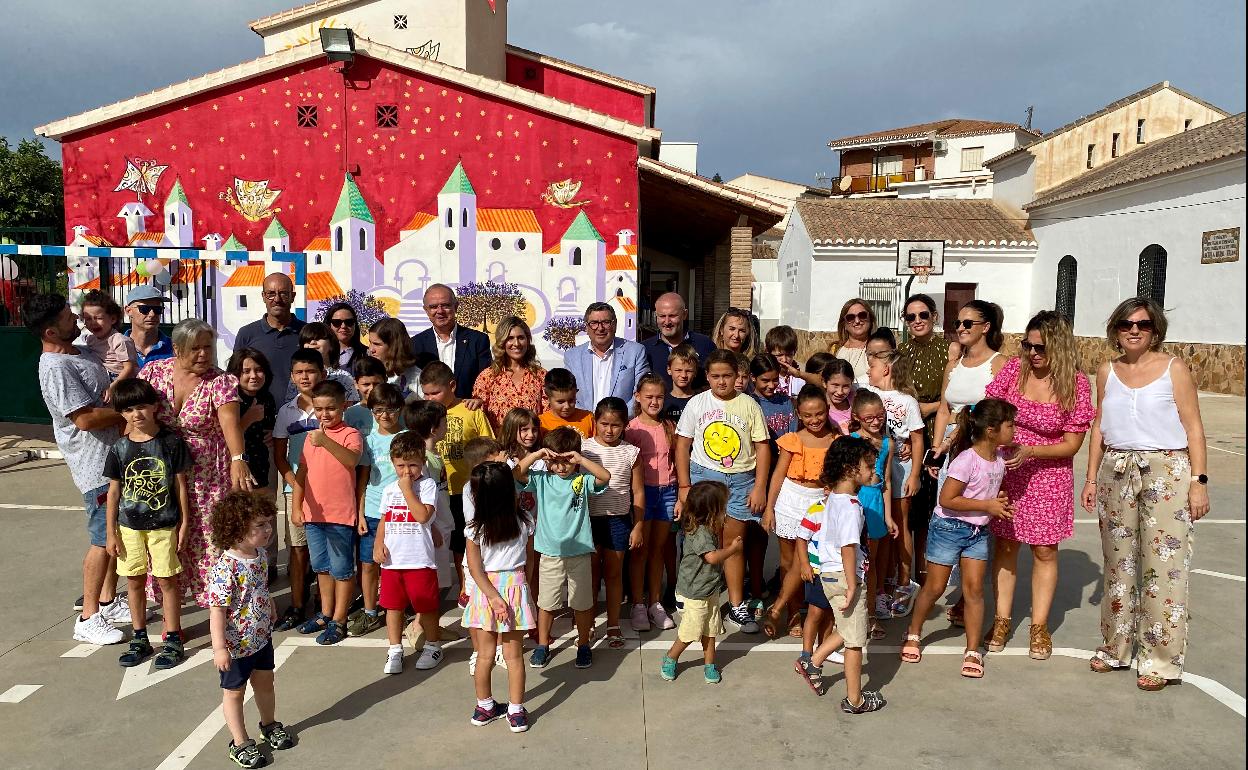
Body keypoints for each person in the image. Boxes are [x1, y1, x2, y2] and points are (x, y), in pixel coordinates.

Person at [1082, 298, 1209, 691]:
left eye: (1143, 324)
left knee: (1163, 567)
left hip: (1166, 472)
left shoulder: (1175, 369)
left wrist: (1198, 482)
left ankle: (1160, 660)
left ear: (1156, 330)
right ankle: (1116, 647)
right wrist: (1089, 478)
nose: (1134, 330)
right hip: (1116, 470)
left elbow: (1194, 429)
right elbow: (1099, 427)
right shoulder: (1107, 370)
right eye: (1125, 324)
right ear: (1115, 329)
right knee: (1118, 564)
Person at [985, 311, 1095, 660]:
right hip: (1006, 470)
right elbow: (989, 409)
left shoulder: (1075, 383)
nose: (1032, 353)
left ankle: (1039, 626)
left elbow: (1072, 444)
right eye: (1028, 345)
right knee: (1004, 545)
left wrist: (1031, 449)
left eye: (1040, 348)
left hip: (1049, 475)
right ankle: (1001, 619)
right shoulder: (1014, 372)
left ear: (1059, 347)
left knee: (1044, 550)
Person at [26, 293, 126, 643]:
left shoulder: (79, 351)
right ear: (51, 332)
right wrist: (133, 410)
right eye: (69, 317)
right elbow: (84, 419)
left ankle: (108, 601)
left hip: (114, 460)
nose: (78, 320)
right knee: (102, 540)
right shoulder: (55, 368)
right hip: (95, 468)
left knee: (116, 535)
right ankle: (88, 617)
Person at [901, 399, 1017, 679]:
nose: (1014, 430)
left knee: (975, 590)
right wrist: (987, 506)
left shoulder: (999, 458)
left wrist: (996, 502)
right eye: (1010, 425)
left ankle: (973, 650)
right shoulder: (966, 460)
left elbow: (986, 494)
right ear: (991, 430)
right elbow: (947, 499)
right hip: (949, 528)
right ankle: (914, 633)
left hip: (978, 532)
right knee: (935, 587)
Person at [139, 319, 251, 607]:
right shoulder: (153, 372)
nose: (203, 354)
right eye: (195, 348)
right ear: (176, 349)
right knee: (166, 539)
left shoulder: (220, 382)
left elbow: (230, 424)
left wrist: (238, 459)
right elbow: (135, 411)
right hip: (163, 472)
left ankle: (217, 605)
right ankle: (170, 612)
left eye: (207, 348)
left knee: (209, 540)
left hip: (207, 476)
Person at [675, 349, 770, 634]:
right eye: (715, 376)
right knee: (700, 540)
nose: (721, 382)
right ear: (707, 377)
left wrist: (760, 486)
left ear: (738, 376)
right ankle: (692, 592)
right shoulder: (697, 403)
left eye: (727, 376)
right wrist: (683, 485)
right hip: (704, 479)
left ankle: (737, 605)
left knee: (734, 542)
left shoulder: (749, 405)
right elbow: (682, 444)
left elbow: (763, 446)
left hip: (741, 480)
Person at [794, 436, 886, 714]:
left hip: (831, 574)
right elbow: (849, 547)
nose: (874, 472)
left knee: (847, 629)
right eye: (869, 466)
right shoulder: (851, 507)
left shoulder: (834, 498)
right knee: (856, 642)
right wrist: (853, 585)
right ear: (850, 469)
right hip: (846, 577)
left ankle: (813, 662)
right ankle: (855, 699)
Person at [104, 378, 191, 669]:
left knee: (167, 580)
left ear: (155, 407)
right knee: (134, 581)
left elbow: (181, 486)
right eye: (128, 410)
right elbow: (114, 492)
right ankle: (139, 637)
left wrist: (185, 523)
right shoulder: (119, 448)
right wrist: (110, 533)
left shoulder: (170, 442)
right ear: (121, 413)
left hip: (164, 524)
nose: (136, 414)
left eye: (142, 407)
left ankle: (173, 638)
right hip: (128, 527)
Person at [928, 299, 1006, 628]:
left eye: (967, 324)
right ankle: (956, 588)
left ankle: (966, 595)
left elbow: (1000, 412)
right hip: (951, 448)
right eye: (957, 323)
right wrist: (936, 449)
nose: (960, 329)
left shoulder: (999, 364)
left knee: (974, 518)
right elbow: (945, 409)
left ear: (985, 327)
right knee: (949, 516)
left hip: (980, 450)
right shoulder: (954, 364)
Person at [207, 491, 294, 768]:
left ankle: (269, 725)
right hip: (236, 647)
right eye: (260, 525)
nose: (268, 529)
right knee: (234, 693)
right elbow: (217, 610)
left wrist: (268, 603)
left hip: (260, 638)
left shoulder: (259, 555)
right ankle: (240, 742)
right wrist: (220, 648)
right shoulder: (226, 567)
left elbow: (259, 587)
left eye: (268, 522)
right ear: (236, 529)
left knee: (265, 684)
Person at [514, 427, 610, 669]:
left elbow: (605, 477)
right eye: (555, 461)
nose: (561, 467)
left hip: (579, 553)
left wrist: (581, 459)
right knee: (546, 604)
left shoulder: (582, 479)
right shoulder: (542, 480)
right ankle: (543, 644)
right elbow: (517, 474)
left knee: (582, 603)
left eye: (566, 461)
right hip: (549, 553)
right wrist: (536, 455)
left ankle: (584, 644)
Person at [463, 461, 537, 732]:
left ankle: (484, 707)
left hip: (485, 592)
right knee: (514, 657)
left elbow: (475, 568)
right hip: (516, 588)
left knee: (484, 656)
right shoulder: (525, 520)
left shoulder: (474, 529)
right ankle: (516, 712)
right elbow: (529, 560)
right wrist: (521, 586)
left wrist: (493, 597)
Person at [761, 385, 838, 639]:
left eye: (819, 414)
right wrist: (769, 509)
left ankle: (790, 607)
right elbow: (778, 476)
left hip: (821, 503)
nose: (814, 420)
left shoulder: (835, 440)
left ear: (827, 410)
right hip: (791, 500)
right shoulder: (792, 440)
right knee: (788, 561)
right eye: (807, 415)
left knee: (811, 561)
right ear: (798, 414)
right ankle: (792, 612)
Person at [291, 380, 363, 645]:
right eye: (319, 409)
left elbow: (351, 460)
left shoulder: (349, 434)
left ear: (343, 406)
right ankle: (325, 613)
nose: (324, 415)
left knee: (342, 569)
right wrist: (296, 506)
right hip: (313, 515)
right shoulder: (310, 438)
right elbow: (302, 473)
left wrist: (325, 441)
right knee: (321, 567)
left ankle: (340, 619)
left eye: (330, 409)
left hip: (340, 515)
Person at [861, 337, 925, 617]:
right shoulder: (866, 393)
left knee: (900, 524)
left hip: (900, 471)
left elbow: (917, 438)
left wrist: (915, 473)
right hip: (874, 474)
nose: (868, 372)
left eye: (872, 366)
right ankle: (883, 580)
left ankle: (904, 581)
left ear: (885, 369)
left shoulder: (907, 401)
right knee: (879, 527)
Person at [422, 360, 496, 597]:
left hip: (470, 489)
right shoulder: (425, 414)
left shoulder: (471, 410)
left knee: (472, 537)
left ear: (452, 385)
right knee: (453, 541)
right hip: (439, 490)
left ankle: (473, 584)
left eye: (436, 392)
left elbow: (489, 447)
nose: (430, 398)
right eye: (426, 393)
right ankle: (462, 585)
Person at [375, 431, 446, 674]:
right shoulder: (388, 490)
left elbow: (423, 516)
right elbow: (385, 518)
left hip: (419, 559)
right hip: (393, 561)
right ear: (393, 463)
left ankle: (433, 645)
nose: (407, 471)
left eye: (413, 465)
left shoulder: (426, 486)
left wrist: (407, 490)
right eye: (401, 465)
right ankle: (395, 648)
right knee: (392, 607)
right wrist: (378, 543)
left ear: (423, 462)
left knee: (425, 606)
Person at [660, 480, 741, 684]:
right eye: (723, 508)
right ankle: (671, 657)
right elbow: (712, 557)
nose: (725, 512)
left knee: (710, 630)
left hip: (709, 590)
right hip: (693, 593)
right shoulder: (701, 533)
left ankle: (709, 663)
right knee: (690, 632)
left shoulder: (706, 527)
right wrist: (732, 549)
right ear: (711, 511)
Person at [580, 397, 644, 646]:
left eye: (615, 425)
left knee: (614, 574)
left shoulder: (631, 453)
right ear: (595, 422)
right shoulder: (584, 449)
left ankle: (614, 624)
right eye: (604, 424)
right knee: (592, 575)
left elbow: (638, 492)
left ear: (625, 425)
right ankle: (589, 623)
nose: (609, 430)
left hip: (618, 521)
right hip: (588, 521)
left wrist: (638, 525)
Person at [271, 348, 325, 631]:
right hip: (296, 492)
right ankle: (296, 604)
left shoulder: (333, 407)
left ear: (323, 373)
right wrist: (295, 485)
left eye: (311, 371)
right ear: (292, 377)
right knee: (298, 549)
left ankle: (322, 603)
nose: (305, 377)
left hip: (329, 492)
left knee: (323, 550)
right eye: (299, 372)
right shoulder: (285, 411)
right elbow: (280, 456)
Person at [349, 383, 406, 637]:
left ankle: (398, 609)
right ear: (372, 411)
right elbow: (362, 479)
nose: (385, 415)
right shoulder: (368, 441)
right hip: (372, 512)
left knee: (397, 566)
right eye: (379, 410)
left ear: (400, 409)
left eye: (391, 409)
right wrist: (360, 513)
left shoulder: (407, 438)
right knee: (369, 564)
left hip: (401, 514)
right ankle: (371, 612)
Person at [626, 374, 677, 632]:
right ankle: (637, 603)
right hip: (642, 493)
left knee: (658, 550)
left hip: (667, 492)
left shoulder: (669, 426)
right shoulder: (631, 429)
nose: (654, 401)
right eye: (649, 397)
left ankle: (655, 603)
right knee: (640, 551)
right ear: (638, 397)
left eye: (659, 396)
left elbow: (676, 461)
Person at [845, 390, 897, 633]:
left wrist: (888, 516)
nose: (876, 422)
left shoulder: (888, 443)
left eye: (880, 416)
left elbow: (886, 481)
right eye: (870, 418)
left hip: (875, 502)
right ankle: (849, 609)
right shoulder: (850, 439)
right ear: (857, 417)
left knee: (871, 563)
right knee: (849, 560)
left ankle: (872, 613)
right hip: (855, 501)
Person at [233, 272, 305, 405]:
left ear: (292, 296)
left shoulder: (306, 333)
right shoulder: (247, 334)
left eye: (283, 293)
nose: (277, 299)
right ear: (263, 297)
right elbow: (234, 378)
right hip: (259, 416)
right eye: (271, 294)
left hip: (302, 416)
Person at [410, 284, 493, 399]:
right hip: (430, 414)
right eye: (434, 307)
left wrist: (478, 400)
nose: (440, 311)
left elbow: (487, 380)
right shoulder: (415, 344)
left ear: (456, 306)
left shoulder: (478, 340)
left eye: (445, 305)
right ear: (426, 310)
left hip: (467, 412)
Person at [563, 302, 650, 411]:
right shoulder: (572, 356)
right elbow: (568, 395)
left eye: (606, 322)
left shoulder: (635, 352)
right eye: (594, 323)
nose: (600, 328)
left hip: (622, 424)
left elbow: (642, 393)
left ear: (615, 324)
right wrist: (588, 421)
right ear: (586, 327)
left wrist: (616, 419)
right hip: (585, 424)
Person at [472, 316, 548, 434]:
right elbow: (479, 417)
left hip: (533, 448)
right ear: (502, 342)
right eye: (510, 338)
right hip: (498, 448)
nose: (516, 343)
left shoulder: (541, 376)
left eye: (521, 338)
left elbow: (548, 417)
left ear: (528, 341)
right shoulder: (487, 376)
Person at [228, 349, 278, 497]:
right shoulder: (229, 398)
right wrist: (249, 418)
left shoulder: (267, 397)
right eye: (246, 371)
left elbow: (269, 429)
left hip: (261, 468)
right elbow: (223, 437)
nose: (253, 376)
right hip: (233, 471)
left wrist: (273, 433)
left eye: (259, 370)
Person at [642, 292, 715, 387]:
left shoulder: (704, 344)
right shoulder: (645, 349)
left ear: (684, 314)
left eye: (672, 316)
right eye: (662, 316)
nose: (667, 322)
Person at [78, 290, 137, 397]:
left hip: (123, 381)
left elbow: (129, 368)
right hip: (104, 377)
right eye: (88, 319)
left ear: (113, 319)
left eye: (99, 318)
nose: (93, 323)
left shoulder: (119, 340)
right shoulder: (91, 339)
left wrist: (113, 386)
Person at [289, 321, 359, 404]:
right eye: (307, 340)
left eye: (318, 339)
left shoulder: (344, 377)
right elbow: (290, 404)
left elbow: (350, 408)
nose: (312, 343)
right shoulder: (297, 376)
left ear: (331, 344)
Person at [368, 317, 422, 400]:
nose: (371, 349)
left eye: (377, 344)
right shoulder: (368, 371)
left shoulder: (416, 377)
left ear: (394, 346)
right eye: (370, 343)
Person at [123, 286, 175, 369]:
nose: (152, 314)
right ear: (128, 311)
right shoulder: (115, 347)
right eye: (144, 309)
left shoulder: (175, 349)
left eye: (157, 309)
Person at [538, 368, 595, 438]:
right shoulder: (541, 423)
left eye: (571, 400)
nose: (567, 406)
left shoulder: (589, 418)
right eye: (560, 402)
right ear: (548, 397)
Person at [829, 298, 876, 381]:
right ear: (844, 324)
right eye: (850, 317)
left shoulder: (879, 349)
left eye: (862, 315)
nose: (857, 321)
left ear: (870, 318)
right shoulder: (835, 349)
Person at [321, 301, 368, 370]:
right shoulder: (320, 354)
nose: (343, 326)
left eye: (349, 322)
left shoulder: (367, 354)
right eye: (337, 322)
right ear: (328, 325)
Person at [662, 343, 701, 424]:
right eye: (678, 370)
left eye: (688, 371)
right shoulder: (662, 401)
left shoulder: (701, 400)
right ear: (669, 370)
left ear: (695, 371)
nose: (683, 375)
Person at [821, 358, 855, 434]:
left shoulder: (855, 402)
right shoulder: (819, 408)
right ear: (824, 382)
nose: (840, 392)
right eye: (835, 385)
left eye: (846, 386)